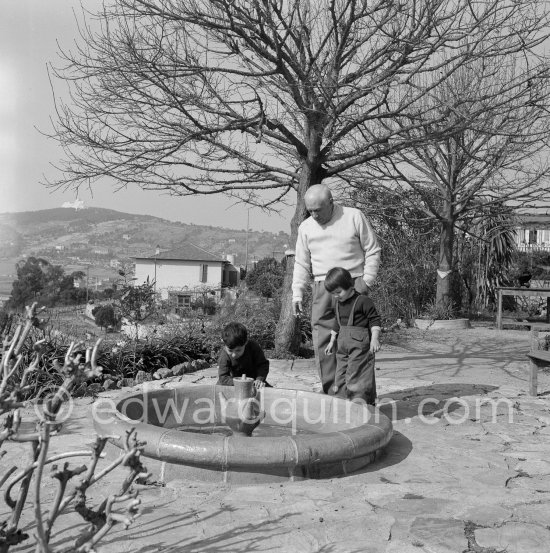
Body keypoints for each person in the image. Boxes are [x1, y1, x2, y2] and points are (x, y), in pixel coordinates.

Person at [292, 184, 381, 394]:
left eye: (318, 209)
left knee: (358, 343)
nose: (314, 215)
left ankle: (361, 396)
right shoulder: (305, 227)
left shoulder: (353, 217)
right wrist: (297, 292)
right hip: (322, 287)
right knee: (324, 341)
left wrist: (366, 281)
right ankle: (334, 394)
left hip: (353, 285)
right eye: (310, 210)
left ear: (331, 202)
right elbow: (301, 262)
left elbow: (373, 249)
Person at [324, 267, 381, 405]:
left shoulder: (363, 301)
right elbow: (337, 323)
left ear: (349, 286)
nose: (336, 296)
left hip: (360, 347)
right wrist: (331, 341)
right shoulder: (338, 303)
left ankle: (361, 404)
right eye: (333, 293)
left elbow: (375, 320)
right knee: (341, 374)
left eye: (339, 292)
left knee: (358, 375)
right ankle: (343, 401)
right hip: (342, 346)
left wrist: (375, 338)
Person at [217, 322, 271, 388]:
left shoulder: (253, 347)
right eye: (230, 351)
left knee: (270, 394)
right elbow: (223, 378)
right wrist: (241, 383)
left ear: (246, 342)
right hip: (233, 383)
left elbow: (263, 365)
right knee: (218, 390)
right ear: (224, 345)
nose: (234, 355)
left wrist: (259, 379)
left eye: (238, 350)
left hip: (253, 382)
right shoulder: (224, 355)